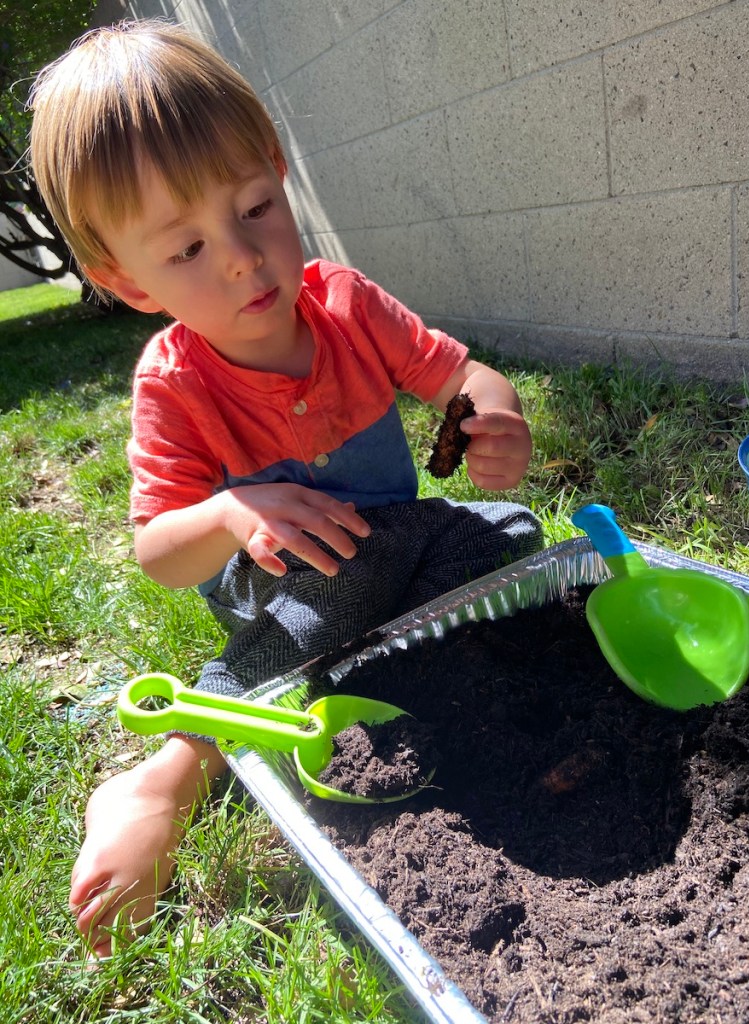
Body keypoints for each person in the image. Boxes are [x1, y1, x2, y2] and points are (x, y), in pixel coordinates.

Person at [30, 19, 542, 958]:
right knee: (350, 576)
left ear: (277, 166)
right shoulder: (174, 384)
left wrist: (493, 416)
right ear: (125, 281)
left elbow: (462, 377)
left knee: (512, 529)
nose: (240, 255)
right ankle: (176, 766)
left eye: (255, 205)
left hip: (393, 531)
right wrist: (232, 512)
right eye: (185, 249)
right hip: (282, 578)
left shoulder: (346, 305)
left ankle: (367, 657)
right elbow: (159, 553)